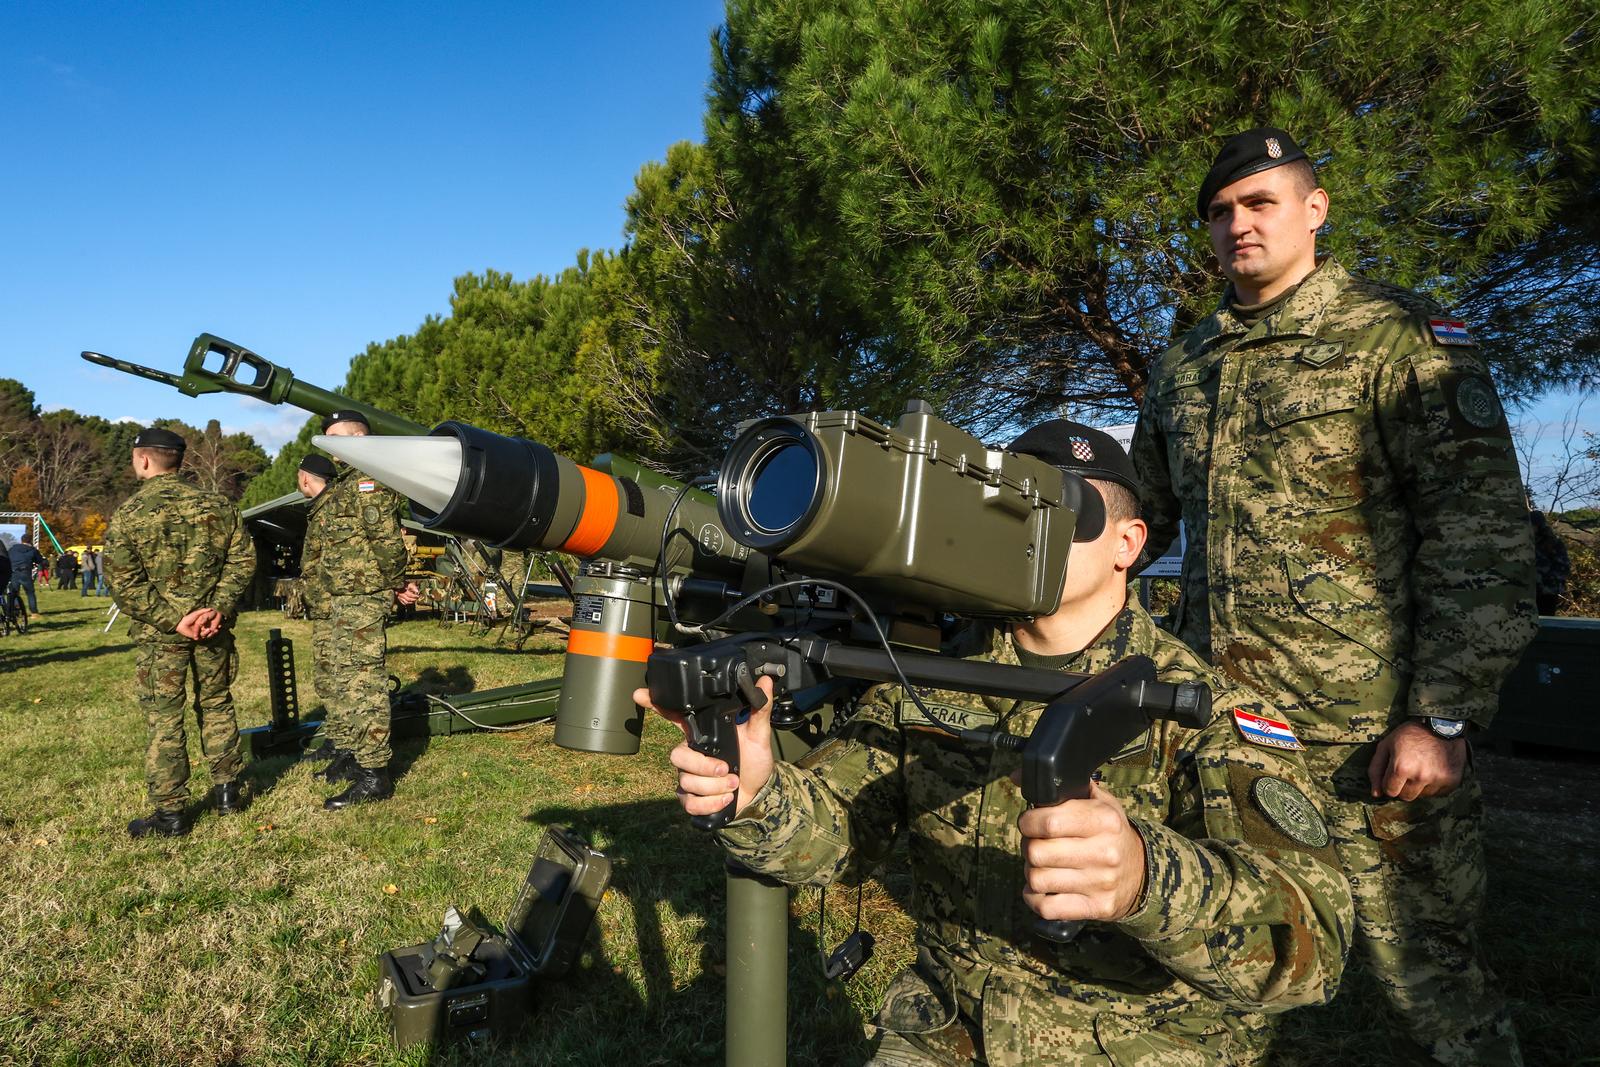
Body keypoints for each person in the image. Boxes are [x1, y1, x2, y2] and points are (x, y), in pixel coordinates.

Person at [645, 421, 1355, 1065]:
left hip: (1137, 1046)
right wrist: (759, 795)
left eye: (1061, 511)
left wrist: (1146, 877)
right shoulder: (930, 677)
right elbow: (842, 837)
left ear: (1127, 544)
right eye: (1008, 506)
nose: (1027, 532)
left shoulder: (1205, 711)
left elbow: (1314, 946)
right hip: (945, 1028)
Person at [1130, 127, 1537, 1066]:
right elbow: (1137, 520)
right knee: (1214, 970)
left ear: (1315, 210)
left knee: (1432, 982)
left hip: (1369, 740)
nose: (1239, 224)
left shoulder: (1400, 339)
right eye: (1222, 211)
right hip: (1222, 731)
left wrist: (1441, 714)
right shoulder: (1186, 364)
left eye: (1261, 202)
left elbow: (1480, 540)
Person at [103, 426, 257, 838]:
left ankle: (171, 813)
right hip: (213, 629)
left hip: (163, 636)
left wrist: (174, 620)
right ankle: (228, 790)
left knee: (165, 717)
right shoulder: (220, 506)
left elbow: (122, 580)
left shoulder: (131, 514)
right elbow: (242, 562)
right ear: (180, 460)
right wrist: (215, 609)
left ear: (144, 459)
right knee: (217, 703)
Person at [298, 416, 419, 810]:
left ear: (358, 438)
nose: (327, 446)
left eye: (334, 439)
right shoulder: (350, 482)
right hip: (345, 597)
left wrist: (397, 581)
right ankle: (354, 755)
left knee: (362, 684)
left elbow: (385, 539)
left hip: (363, 596)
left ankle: (374, 775)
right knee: (346, 678)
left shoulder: (369, 479)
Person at [1528, 508, 1570, 615]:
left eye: (1531, 525)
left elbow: (1563, 568)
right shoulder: (1526, 542)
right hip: (1529, 591)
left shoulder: (1553, 542)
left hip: (1548, 592)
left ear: (1538, 525)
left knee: (1545, 621)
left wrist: (1546, 584)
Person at [7, 533, 46, 618]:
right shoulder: (32, 550)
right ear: (30, 541)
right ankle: (34, 613)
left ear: (21, 540)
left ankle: (16, 611)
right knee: (30, 593)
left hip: (13, 572)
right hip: (25, 572)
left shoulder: (12, 549)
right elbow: (40, 561)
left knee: (14, 593)